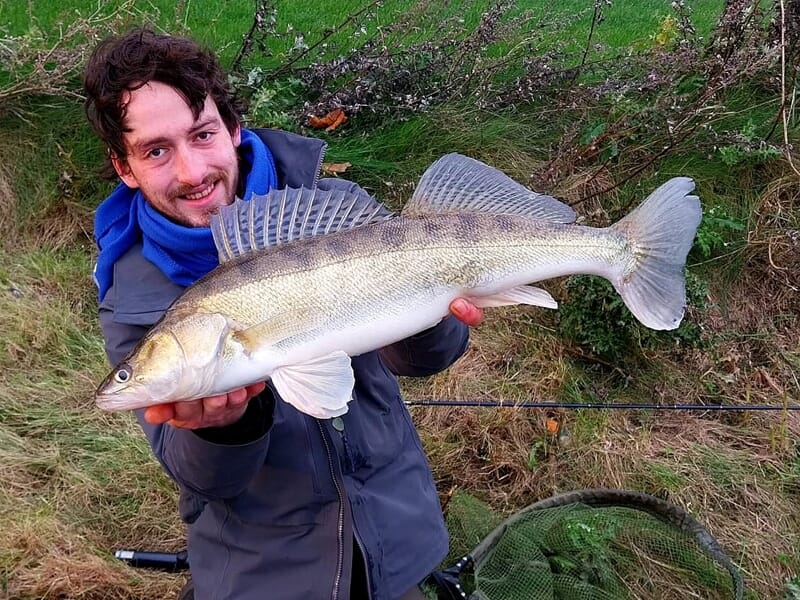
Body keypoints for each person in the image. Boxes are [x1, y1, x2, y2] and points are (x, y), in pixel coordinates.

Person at [84, 28, 483, 600]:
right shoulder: (131, 298)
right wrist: (225, 430)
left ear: (233, 128)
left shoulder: (334, 210)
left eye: (202, 135)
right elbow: (202, 479)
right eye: (156, 150)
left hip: (398, 544)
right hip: (264, 575)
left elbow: (426, 360)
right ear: (124, 166)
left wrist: (435, 311)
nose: (193, 172)